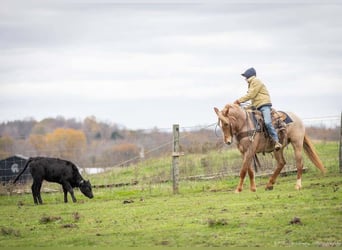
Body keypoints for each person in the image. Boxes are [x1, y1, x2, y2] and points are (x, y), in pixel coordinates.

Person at [234, 67, 282, 151]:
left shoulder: (256, 81)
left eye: (245, 76)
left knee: (267, 122)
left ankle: (276, 141)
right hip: (257, 106)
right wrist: (244, 108)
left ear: (249, 75)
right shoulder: (251, 84)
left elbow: (251, 95)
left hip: (264, 106)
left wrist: (239, 101)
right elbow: (253, 99)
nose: (245, 78)